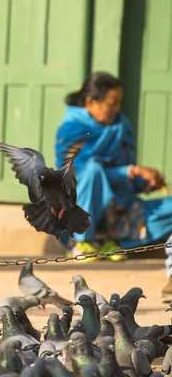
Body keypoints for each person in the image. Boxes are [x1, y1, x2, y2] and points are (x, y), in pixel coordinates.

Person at [55, 72, 172, 291]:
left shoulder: (121, 125)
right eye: (112, 103)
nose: (117, 109)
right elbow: (78, 175)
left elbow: (127, 178)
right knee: (91, 170)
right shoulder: (71, 128)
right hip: (81, 207)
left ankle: (114, 244)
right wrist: (132, 171)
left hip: (120, 209)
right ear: (90, 102)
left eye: (119, 103)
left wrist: (143, 182)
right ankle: (83, 241)